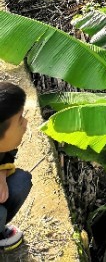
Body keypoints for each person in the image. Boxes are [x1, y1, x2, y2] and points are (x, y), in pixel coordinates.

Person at [0, 83, 31, 251]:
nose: (26, 123)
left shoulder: (4, 146)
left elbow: (9, 152)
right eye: (20, 121)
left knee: (21, 181)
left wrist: (2, 174)